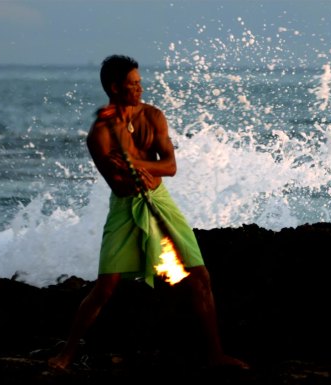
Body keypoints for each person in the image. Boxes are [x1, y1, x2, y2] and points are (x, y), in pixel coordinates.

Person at [48, 54, 249, 372]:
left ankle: (216, 354)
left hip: (159, 201)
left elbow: (169, 167)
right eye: (132, 84)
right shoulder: (99, 135)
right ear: (115, 88)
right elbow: (121, 186)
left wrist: (135, 164)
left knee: (199, 277)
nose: (140, 89)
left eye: (140, 82)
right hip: (125, 207)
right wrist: (138, 172)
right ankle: (67, 354)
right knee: (107, 285)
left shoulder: (153, 117)